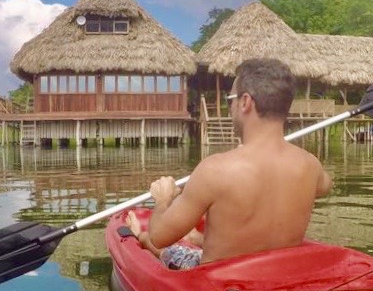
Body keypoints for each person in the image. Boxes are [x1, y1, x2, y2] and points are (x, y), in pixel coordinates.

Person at [134, 57, 333, 268]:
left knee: (154, 242)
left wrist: (163, 198)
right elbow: (324, 187)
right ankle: (196, 239)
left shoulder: (215, 170)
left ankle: (139, 234)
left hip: (221, 285)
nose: (231, 106)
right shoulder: (311, 166)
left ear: (245, 102)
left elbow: (160, 236)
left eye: (231, 99)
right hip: (277, 283)